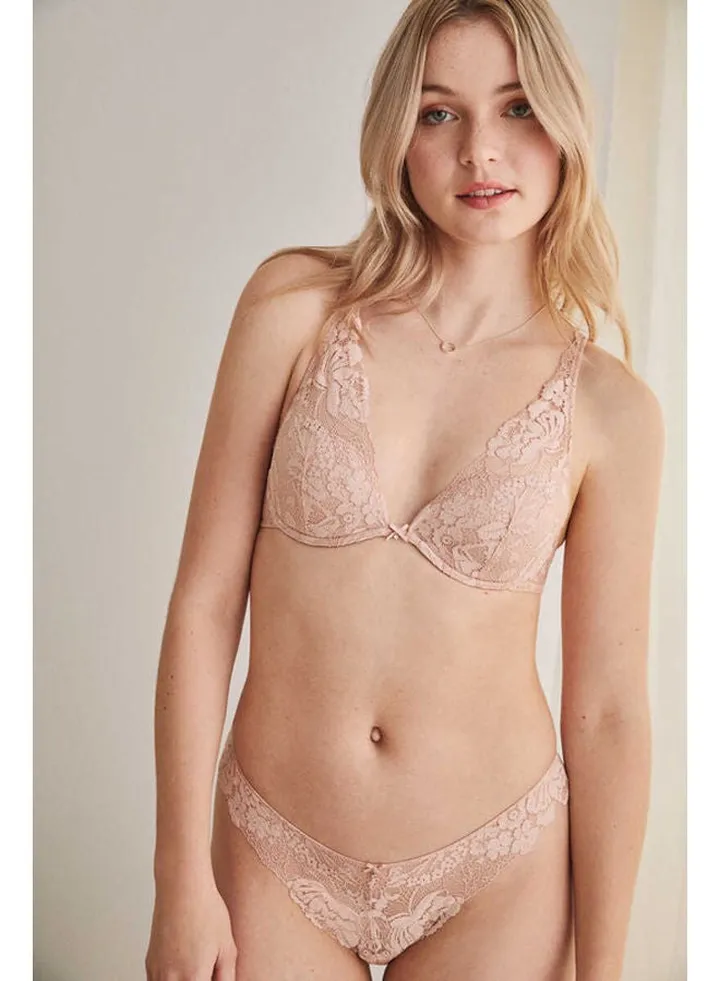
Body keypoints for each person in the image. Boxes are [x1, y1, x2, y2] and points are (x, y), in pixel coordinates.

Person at [145, 1, 665, 979]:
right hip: (273, 847)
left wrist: (604, 969)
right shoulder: (294, 308)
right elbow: (205, 601)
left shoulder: (612, 410)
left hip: (500, 872)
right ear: (397, 134)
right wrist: (179, 876)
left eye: (517, 107)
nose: (481, 151)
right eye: (439, 113)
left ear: (565, 124)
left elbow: (606, 711)